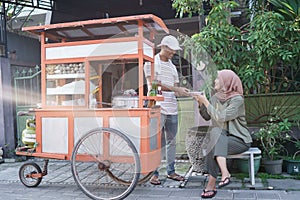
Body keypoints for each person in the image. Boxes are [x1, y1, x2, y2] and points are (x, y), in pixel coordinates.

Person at [193, 69, 252, 198]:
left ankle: (211, 184)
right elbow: (207, 116)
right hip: (221, 137)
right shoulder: (216, 98)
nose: (215, 81)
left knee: (213, 142)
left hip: (239, 140)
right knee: (214, 135)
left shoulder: (237, 100)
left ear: (226, 82)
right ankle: (224, 174)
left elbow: (220, 117)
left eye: (218, 78)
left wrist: (206, 102)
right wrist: (200, 103)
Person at [144, 35, 190, 185]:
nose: (173, 53)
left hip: (172, 108)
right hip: (157, 107)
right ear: (163, 47)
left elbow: (175, 88)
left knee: (171, 141)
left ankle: (171, 171)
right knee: (155, 142)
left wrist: (184, 92)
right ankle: (153, 173)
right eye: (171, 50)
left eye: (175, 51)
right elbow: (154, 86)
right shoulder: (151, 64)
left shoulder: (173, 67)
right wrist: (174, 88)